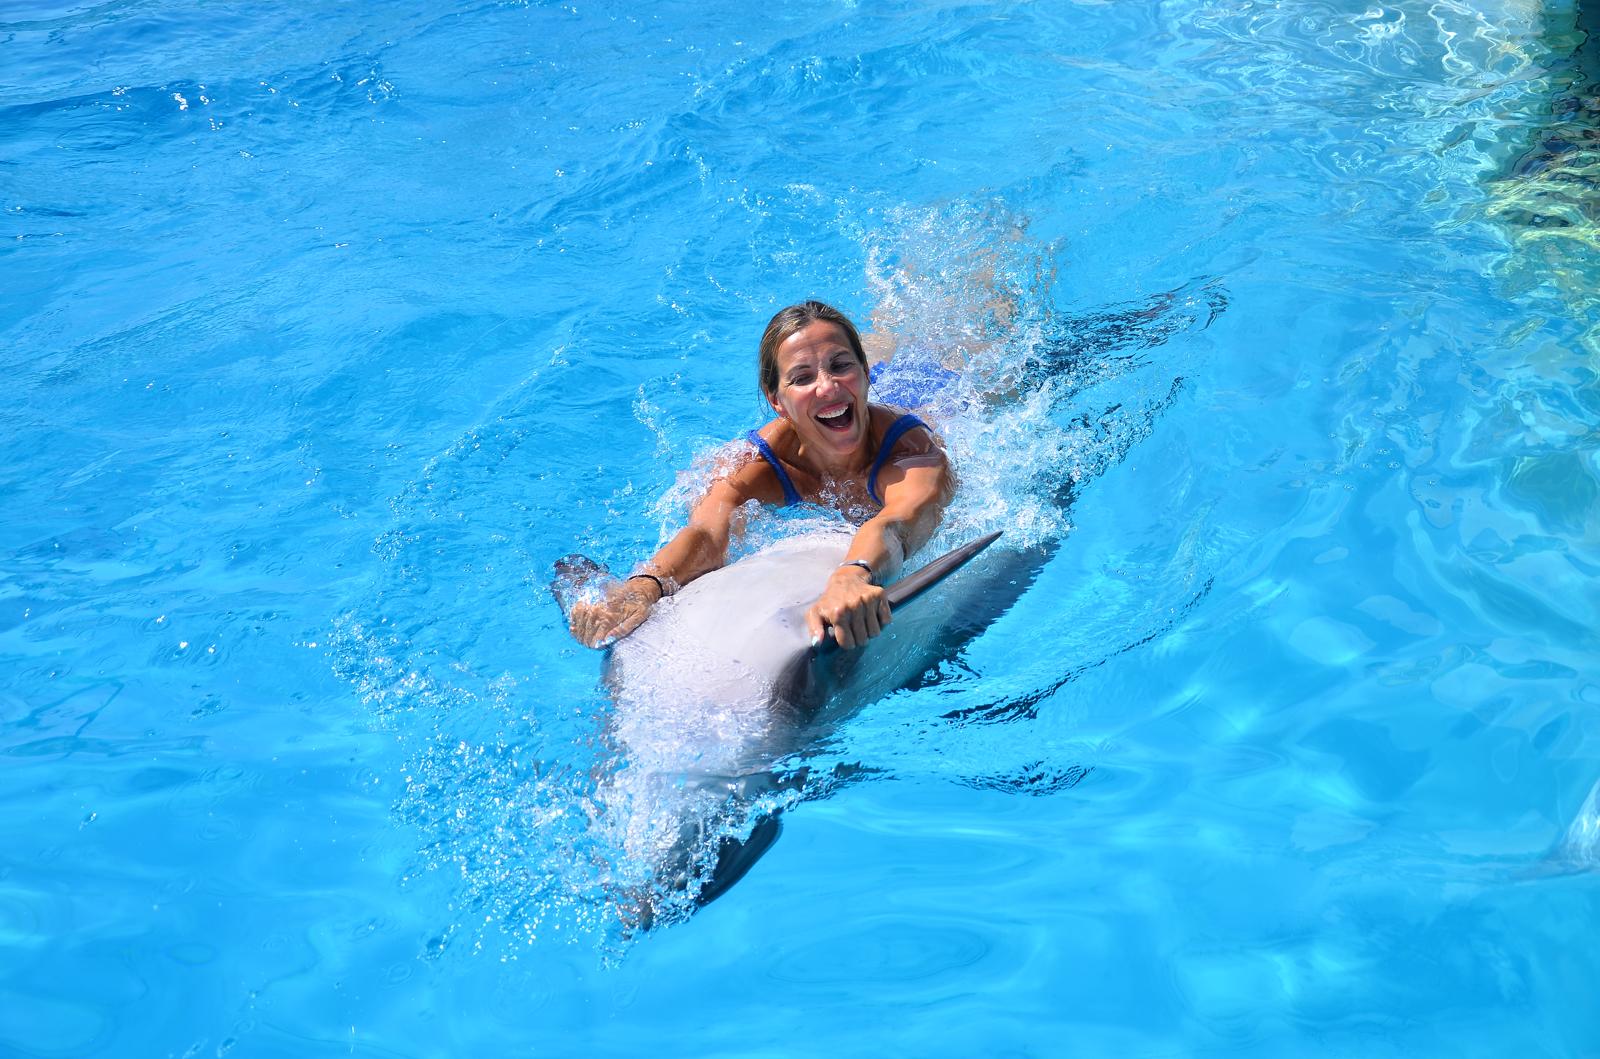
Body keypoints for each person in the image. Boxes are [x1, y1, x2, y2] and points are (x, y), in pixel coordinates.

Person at [567, 300, 956, 651]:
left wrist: (853, 575)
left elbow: (896, 522)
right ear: (776, 401)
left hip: (942, 390)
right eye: (802, 377)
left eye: (841, 365)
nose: (827, 385)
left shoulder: (912, 452)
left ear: (865, 372)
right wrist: (644, 587)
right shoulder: (755, 465)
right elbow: (706, 533)